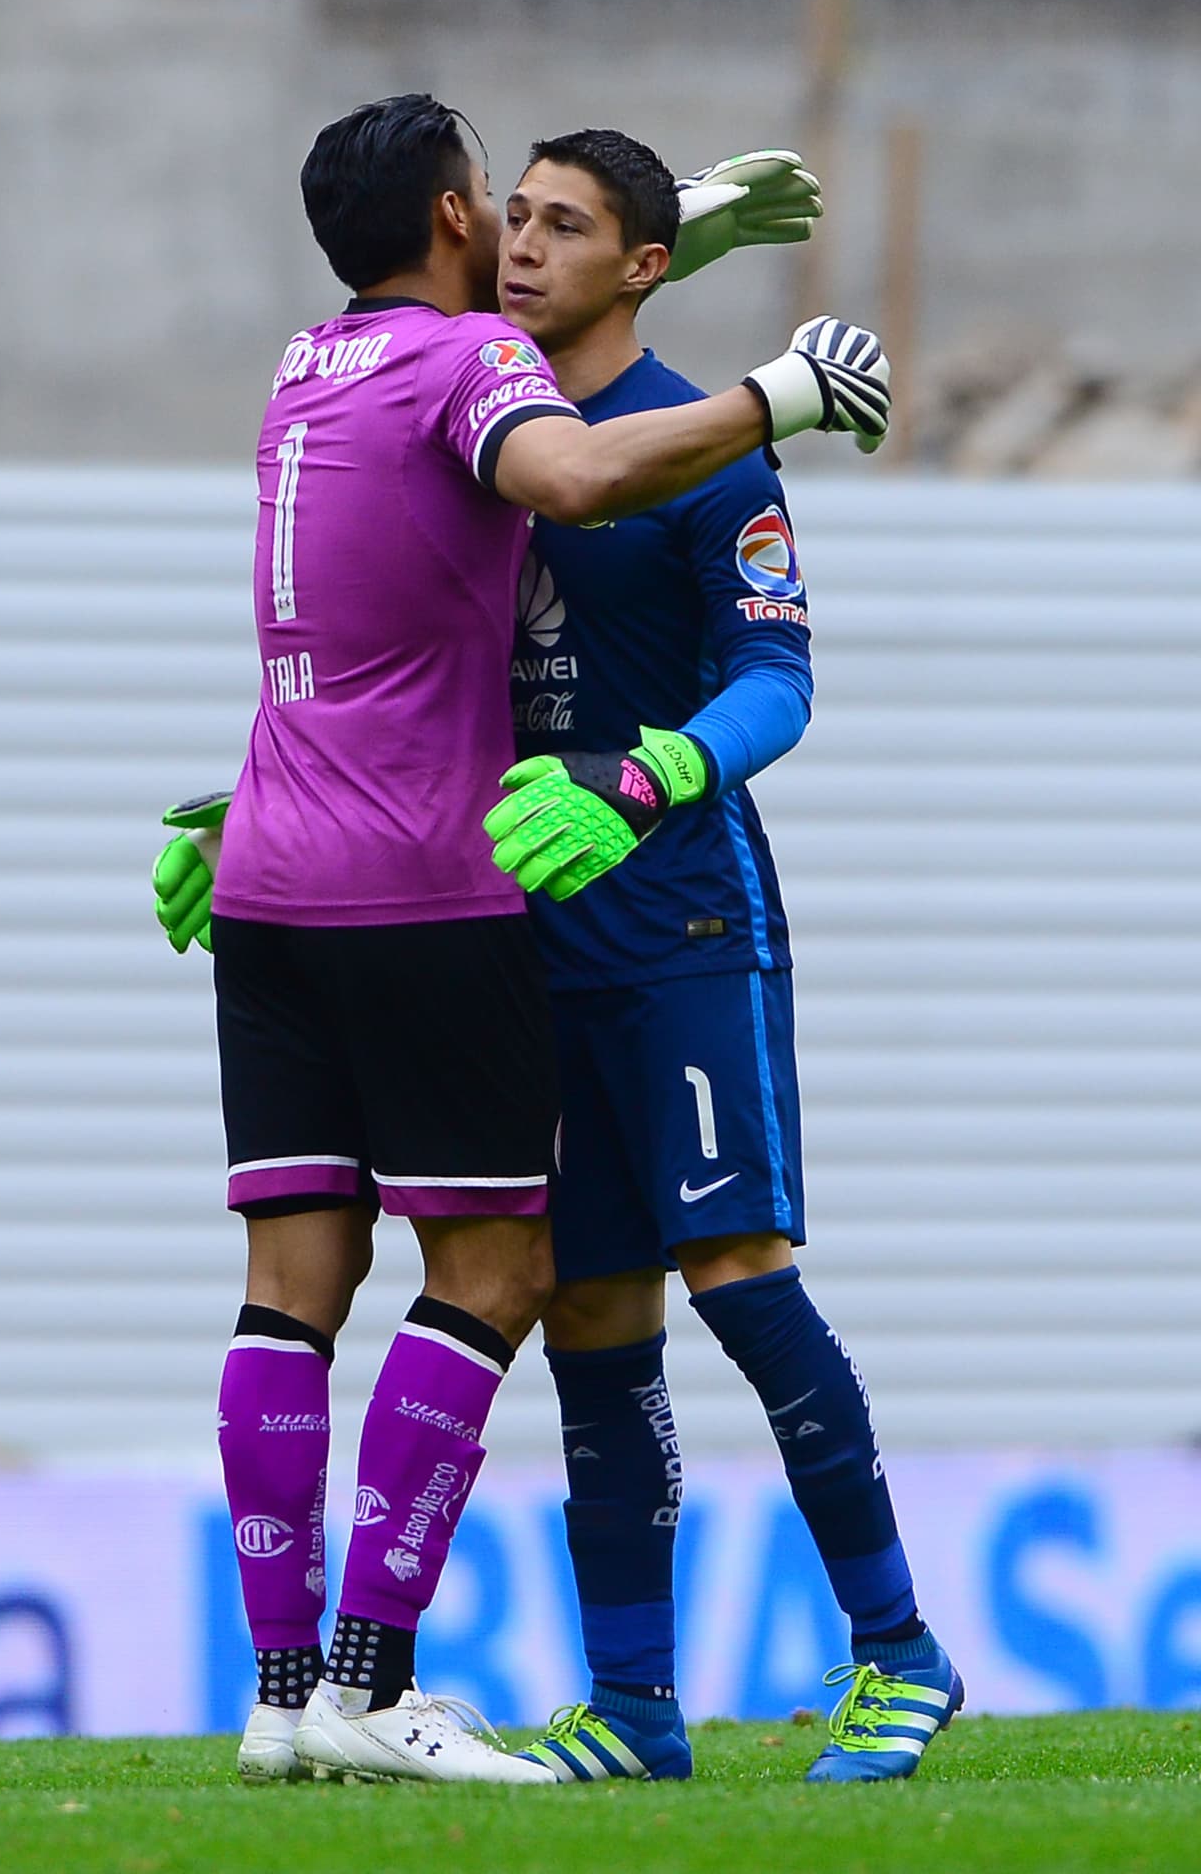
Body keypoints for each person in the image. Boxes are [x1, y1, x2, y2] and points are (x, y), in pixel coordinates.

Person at [158, 92, 888, 1789]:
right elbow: (560, 451)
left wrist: (672, 218)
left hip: (272, 864)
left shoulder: (301, 366)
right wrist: (778, 387)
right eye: (496, 207)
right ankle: (372, 1679)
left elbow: (462, 391)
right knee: (503, 1274)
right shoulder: (470, 374)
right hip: (435, 879)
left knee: (289, 1291)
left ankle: (282, 1701)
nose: (514, 233)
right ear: (448, 220)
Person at [482, 129, 961, 1786]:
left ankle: (898, 1652)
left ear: (644, 266)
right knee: (587, 1313)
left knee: (738, 1278)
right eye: (514, 218)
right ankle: (634, 1707)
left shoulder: (704, 450)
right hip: (535, 949)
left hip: (687, 924)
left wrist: (648, 771)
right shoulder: (485, 433)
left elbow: (780, 683)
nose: (521, 249)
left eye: (564, 227)